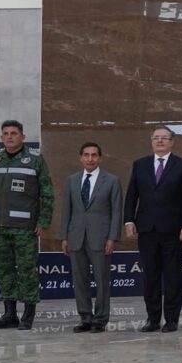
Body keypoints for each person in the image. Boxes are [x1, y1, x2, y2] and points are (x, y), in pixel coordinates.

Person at [0, 120, 54, 331]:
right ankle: (9, 314)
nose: (10, 137)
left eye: (14, 133)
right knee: (4, 270)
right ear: (1, 137)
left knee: (26, 270)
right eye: (6, 133)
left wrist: (43, 221)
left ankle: (28, 314)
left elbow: (47, 193)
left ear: (22, 137)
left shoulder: (35, 160)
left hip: (25, 228)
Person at [124, 126, 182, 333]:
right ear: (151, 141)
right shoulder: (140, 165)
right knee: (150, 276)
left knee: (173, 276)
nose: (160, 141)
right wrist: (129, 220)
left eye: (165, 138)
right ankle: (152, 319)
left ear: (172, 142)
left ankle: (172, 319)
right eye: (157, 138)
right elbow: (132, 195)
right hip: (146, 229)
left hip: (174, 231)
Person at [60, 141, 123, 333]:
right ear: (81, 158)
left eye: (94, 155)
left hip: (101, 238)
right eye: (86, 155)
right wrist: (64, 237)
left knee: (102, 281)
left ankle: (100, 319)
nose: (90, 159)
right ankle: (85, 318)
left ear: (100, 158)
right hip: (76, 236)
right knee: (80, 280)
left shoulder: (111, 180)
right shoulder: (72, 180)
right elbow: (66, 211)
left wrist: (112, 238)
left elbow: (116, 211)